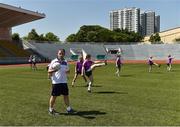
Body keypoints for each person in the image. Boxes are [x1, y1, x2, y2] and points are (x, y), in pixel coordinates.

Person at [48, 49, 74, 115]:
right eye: (60, 53)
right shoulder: (54, 61)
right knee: (54, 96)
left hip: (64, 82)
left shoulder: (65, 62)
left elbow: (68, 71)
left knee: (66, 95)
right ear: (57, 53)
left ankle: (69, 109)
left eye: (62, 53)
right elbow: (49, 71)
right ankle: (51, 109)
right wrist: (55, 69)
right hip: (56, 82)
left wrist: (67, 71)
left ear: (64, 54)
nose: (61, 55)